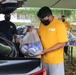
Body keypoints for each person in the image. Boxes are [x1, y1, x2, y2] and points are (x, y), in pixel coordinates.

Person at [37, 6, 68, 75]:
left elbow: (62, 43)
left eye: (43, 18)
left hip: (55, 60)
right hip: (44, 59)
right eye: (40, 19)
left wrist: (46, 51)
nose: (42, 20)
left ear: (50, 16)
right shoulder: (42, 24)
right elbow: (38, 35)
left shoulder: (59, 25)